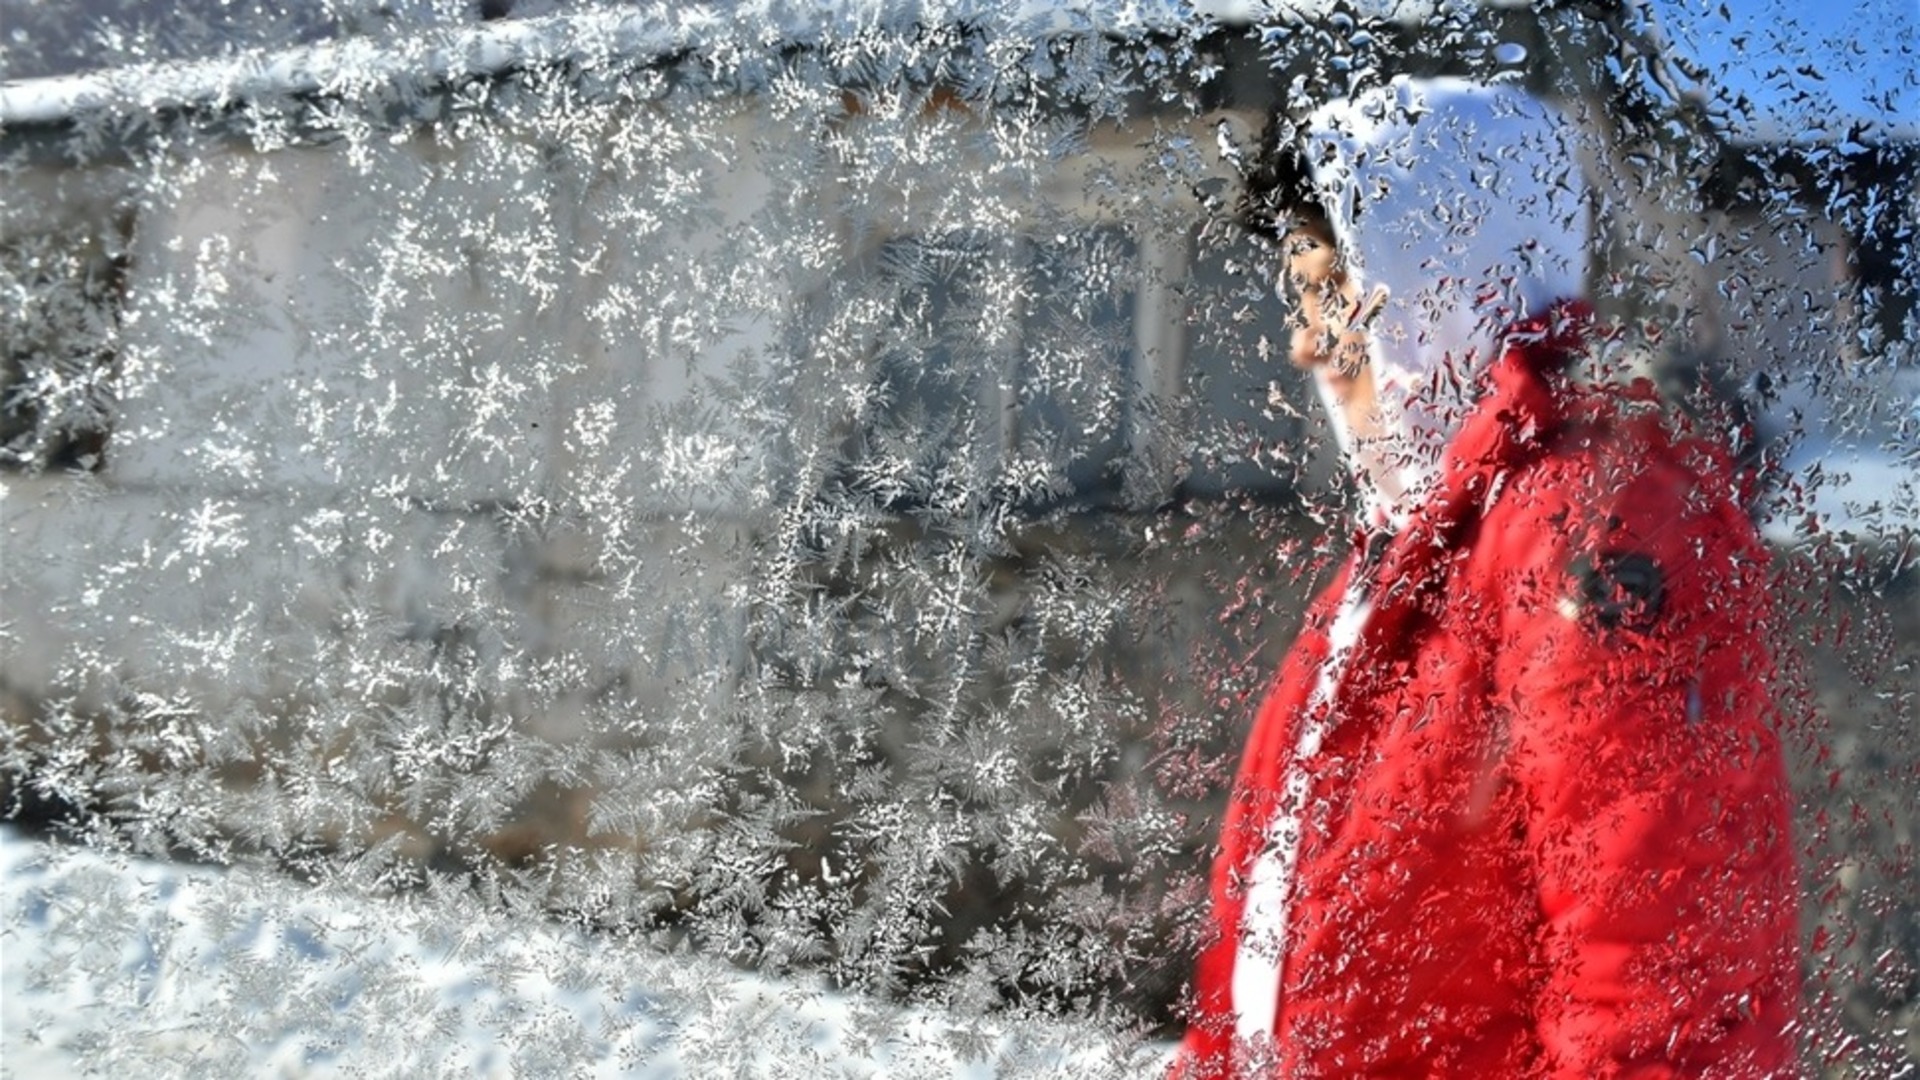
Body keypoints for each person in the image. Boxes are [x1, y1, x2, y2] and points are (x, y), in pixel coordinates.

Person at [1172, 79, 1801, 1078]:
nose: (1304, 344)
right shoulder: (1397, 559)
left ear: (1436, 279)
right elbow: (1261, 951)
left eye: (1332, 292)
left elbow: (1656, 989)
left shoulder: (1590, 524)